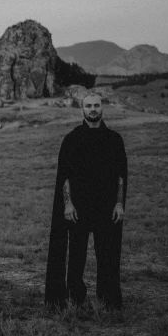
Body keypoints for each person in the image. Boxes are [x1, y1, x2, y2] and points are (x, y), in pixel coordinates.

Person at [45, 94, 128, 310]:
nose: (93, 109)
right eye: (88, 105)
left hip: (106, 208)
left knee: (107, 254)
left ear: (102, 108)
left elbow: (121, 175)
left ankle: (108, 298)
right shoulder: (72, 139)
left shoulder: (114, 140)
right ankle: (76, 297)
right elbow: (64, 176)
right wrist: (67, 203)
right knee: (77, 256)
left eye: (96, 105)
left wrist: (119, 203)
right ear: (82, 109)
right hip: (79, 208)